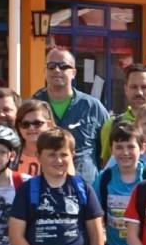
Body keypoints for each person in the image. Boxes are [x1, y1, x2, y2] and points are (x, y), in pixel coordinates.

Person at [33, 46, 112, 184]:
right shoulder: (33, 106)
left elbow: (109, 150)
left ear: (74, 72)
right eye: (51, 66)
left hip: (85, 189)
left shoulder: (93, 107)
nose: (57, 70)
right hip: (43, 188)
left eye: (63, 66)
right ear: (45, 71)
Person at [14, 99, 51, 176]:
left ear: (49, 125)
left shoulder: (59, 153)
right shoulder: (10, 155)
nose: (31, 128)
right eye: (25, 124)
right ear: (18, 127)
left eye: (37, 123)